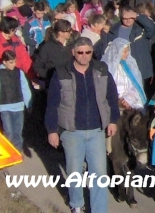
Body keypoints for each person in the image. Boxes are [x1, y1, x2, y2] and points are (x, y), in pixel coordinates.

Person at [45, 37, 120, 213]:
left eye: (88, 52)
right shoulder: (61, 72)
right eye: (80, 52)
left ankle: (99, 210)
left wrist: (113, 120)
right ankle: (77, 204)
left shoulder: (101, 70)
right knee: (74, 172)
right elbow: (52, 104)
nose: (84, 56)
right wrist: (52, 131)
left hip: (96, 131)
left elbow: (112, 98)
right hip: (71, 131)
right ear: (73, 52)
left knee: (100, 174)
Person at [108, 7, 155, 96]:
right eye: (125, 18)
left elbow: (152, 27)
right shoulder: (113, 31)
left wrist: (136, 15)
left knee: (141, 97)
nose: (128, 20)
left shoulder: (141, 29)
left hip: (140, 69)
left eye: (130, 18)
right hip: (121, 71)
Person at [0, 50, 33, 151]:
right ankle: (7, 151)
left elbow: (25, 88)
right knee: (8, 131)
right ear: (4, 62)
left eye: (14, 62)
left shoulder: (19, 72)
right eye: (11, 62)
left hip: (18, 106)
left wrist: (29, 104)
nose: (13, 64)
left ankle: (17, 152)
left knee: (18, 132)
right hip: (5, 107)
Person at [101, 38, 147, 110]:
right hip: (114, 102)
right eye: (124, 51)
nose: (127, 53)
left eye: (128, 51)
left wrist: (128, 99)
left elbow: (136, 85)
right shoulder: (108, 67)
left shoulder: (131, 65)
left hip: (131, 101)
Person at [32, 19, 73, 88]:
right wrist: (50, 76)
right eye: (68, 31)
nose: (71, 32)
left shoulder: (72, 45)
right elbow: (37, 66)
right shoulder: (47, 47)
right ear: (61, 33)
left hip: (71, 83)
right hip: (53, 85)